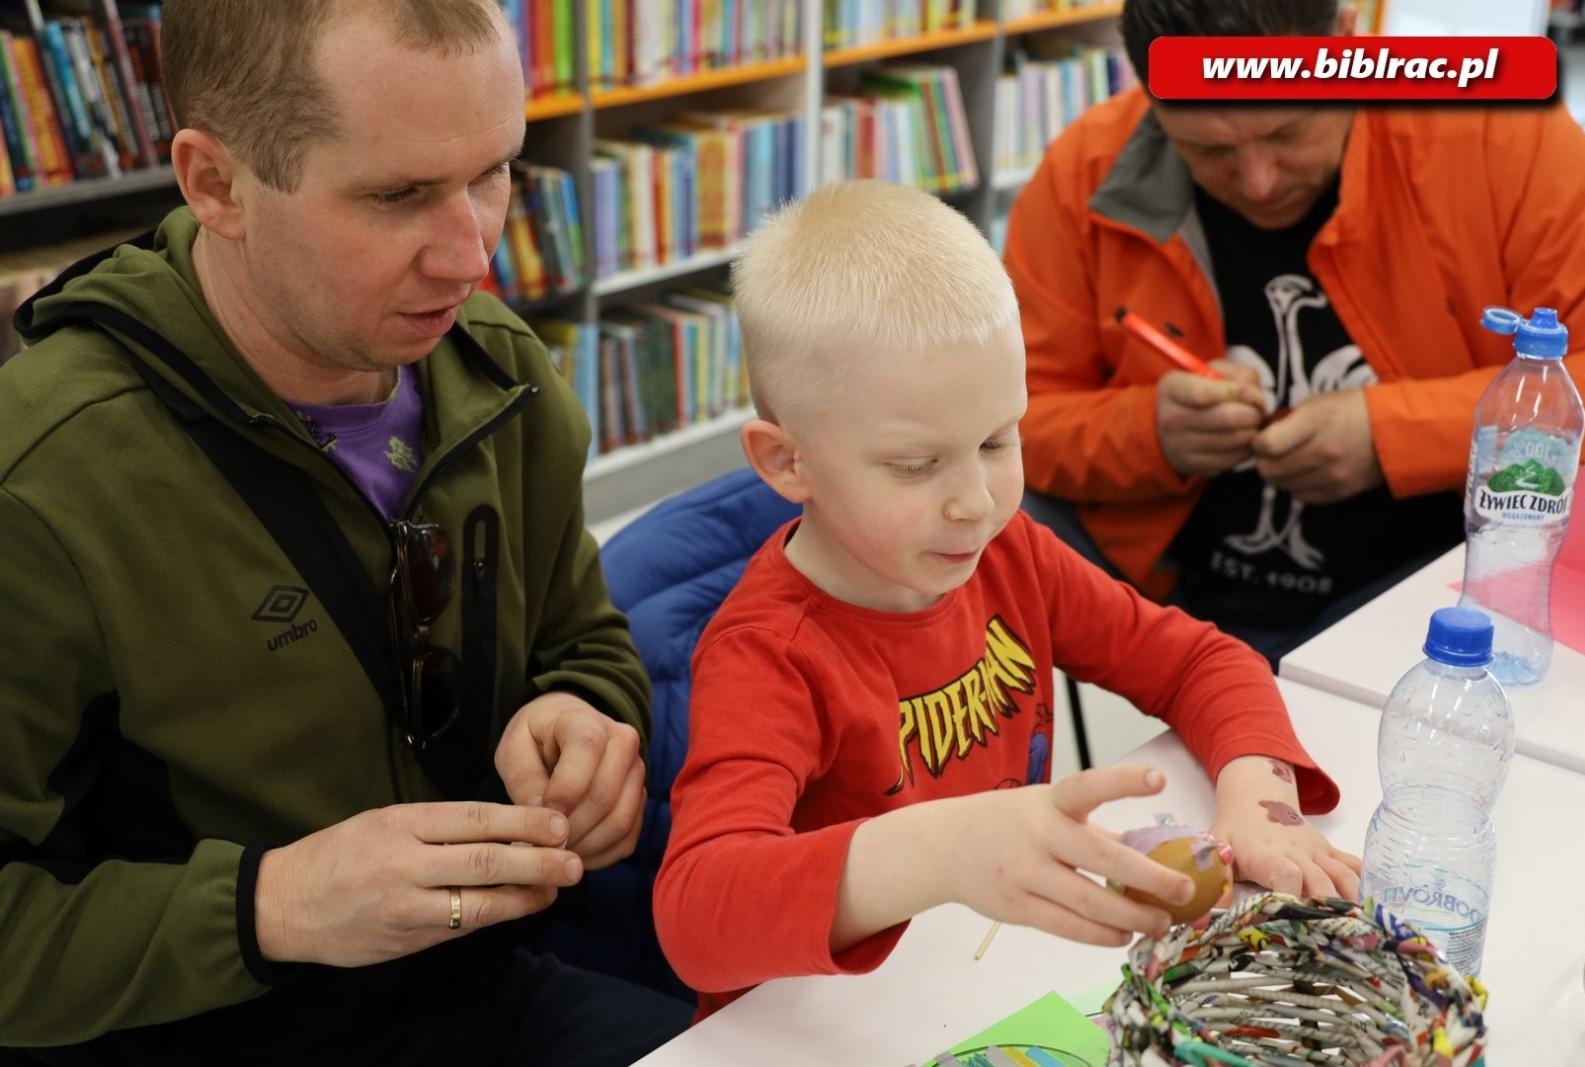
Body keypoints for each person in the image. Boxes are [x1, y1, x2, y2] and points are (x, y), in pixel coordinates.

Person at [0, 2, 689, 1063]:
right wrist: (270, 903)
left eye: (497, 172)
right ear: (215, 182)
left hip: (476, 985)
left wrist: (585, 713)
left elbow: (580, 630)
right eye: (399, 194)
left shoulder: (503, 374)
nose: (471, 258)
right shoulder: (43, 484)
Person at [651, 180, 1362, 1015]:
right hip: (825, 1027)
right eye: (917, 465)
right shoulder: (768, 652)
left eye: (997, 439)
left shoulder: (1006, 551)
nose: (976, 501)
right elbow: (696, 916)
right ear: (786, 463)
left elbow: (1201, 660)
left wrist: (1258, 796)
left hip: (986, 980)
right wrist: (940, 851)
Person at [1007, 0, 1585, 665]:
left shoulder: (1500, 137)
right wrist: (1150, 434)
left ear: (1347, 40)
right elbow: (1012, 422)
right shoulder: (1084, 172)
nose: (1258, 183)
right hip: (1181, 616)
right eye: (1208, 150)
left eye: (1288, 133)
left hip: (1449, 597)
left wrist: (1390, 436)